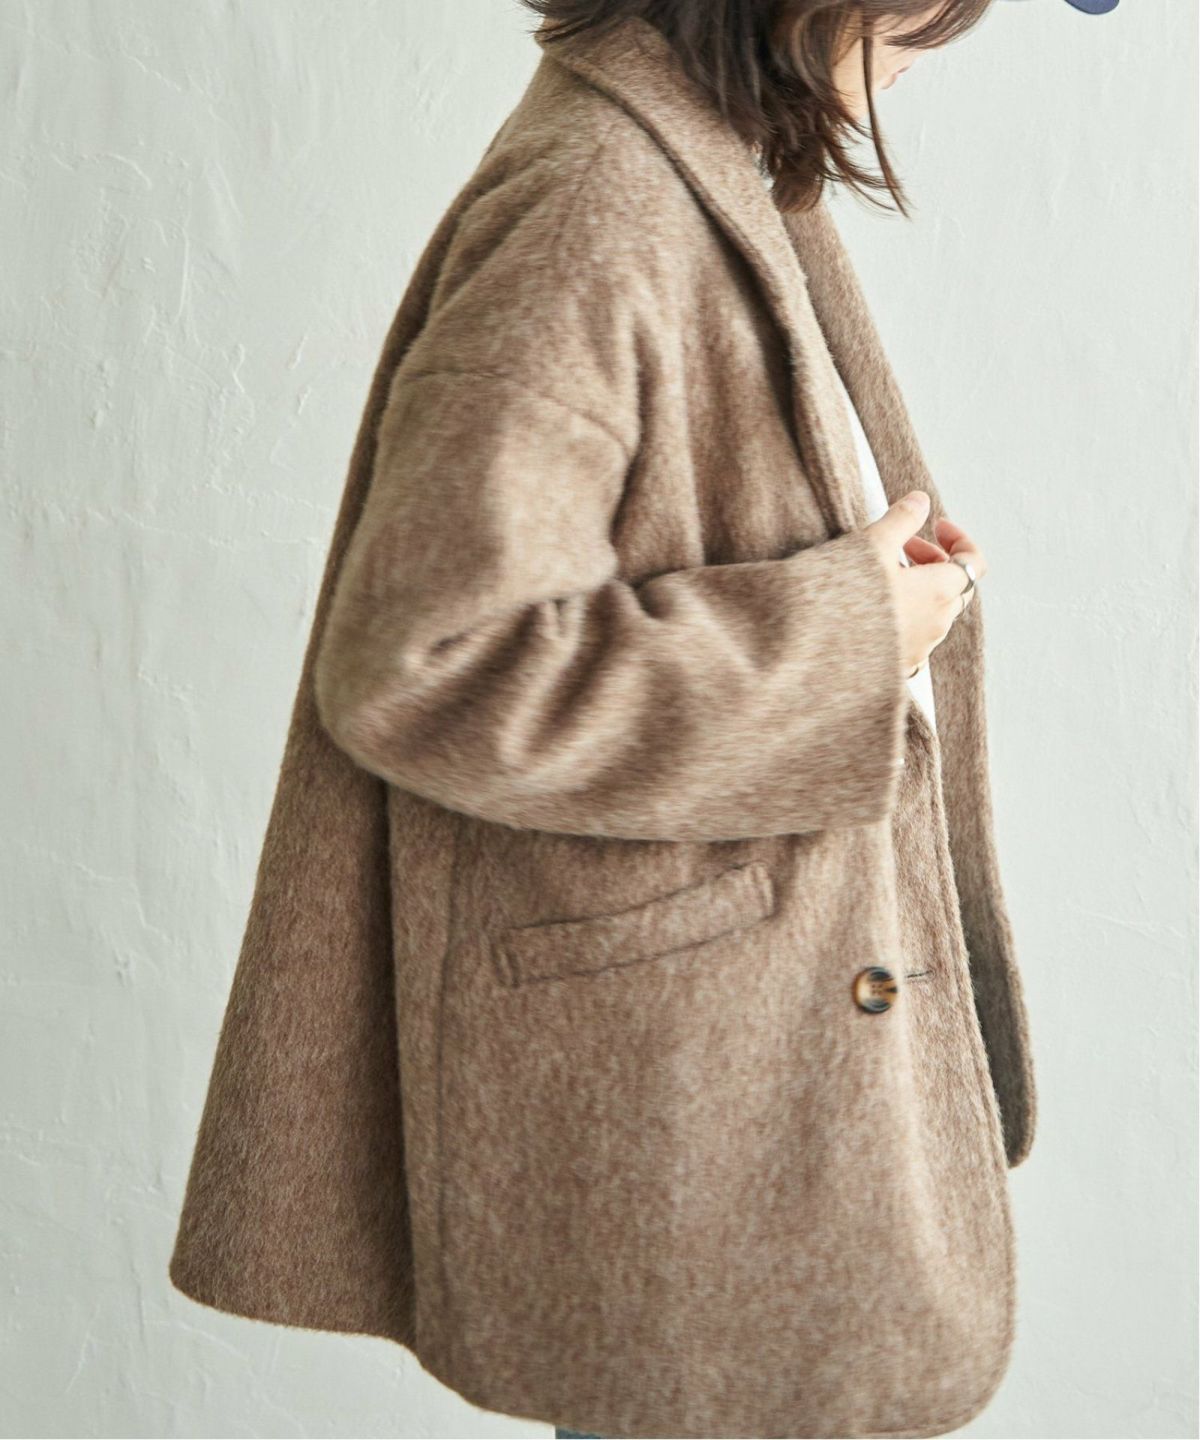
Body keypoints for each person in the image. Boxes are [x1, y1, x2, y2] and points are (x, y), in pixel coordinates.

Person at [169, 1, 1107, 1435]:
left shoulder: (698, 156)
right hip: (682, 1101)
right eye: (931, 13)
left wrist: (854, 575)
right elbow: (430, 659)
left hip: (726, 1063)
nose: (943, 41)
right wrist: (847, 633)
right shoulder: (598, 205)